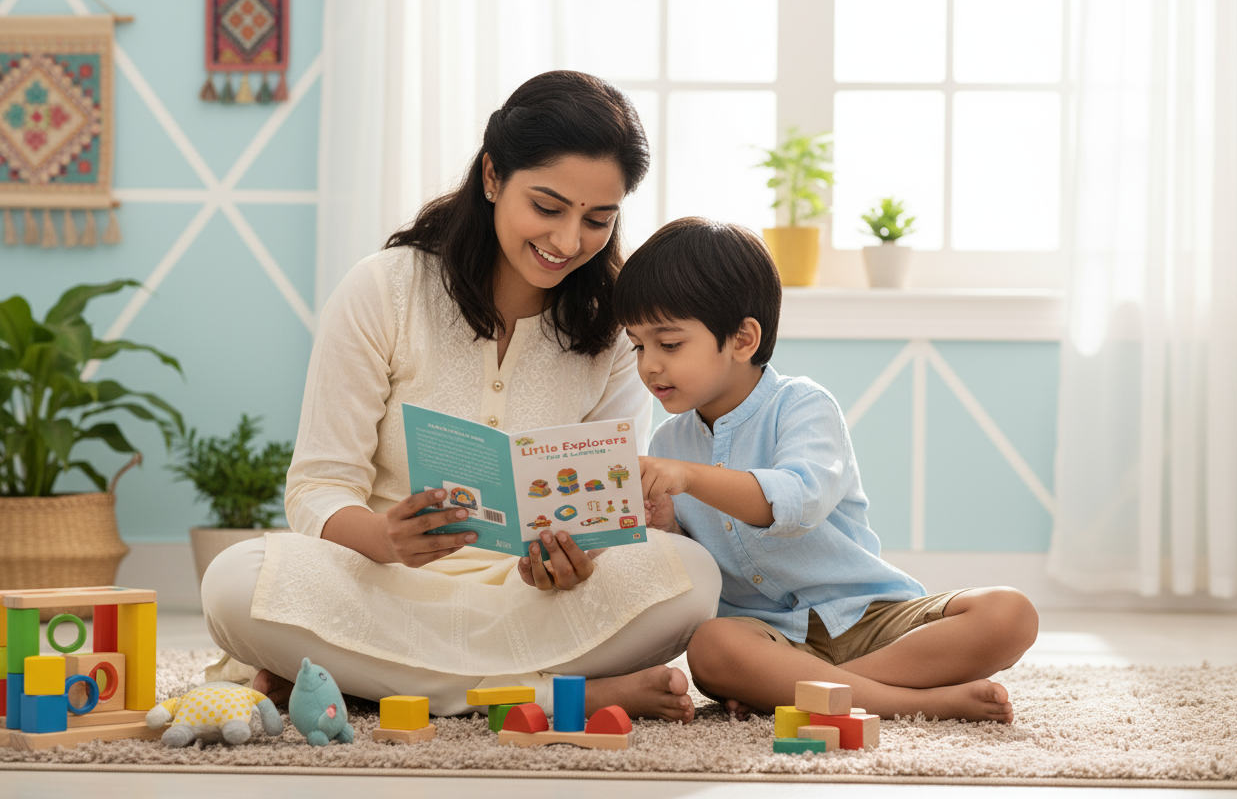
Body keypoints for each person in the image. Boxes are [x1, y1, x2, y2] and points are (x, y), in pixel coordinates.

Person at [200, 72, 721, 724]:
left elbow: (603, 513)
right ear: (493, 176)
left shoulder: (616, 330)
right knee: (232, 582)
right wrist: (384, 539)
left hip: (529, 601)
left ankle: (376, 680)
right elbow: (318, 488)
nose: (567, 242)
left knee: (692, 577)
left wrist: (576, 560)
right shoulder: (383, 291)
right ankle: (553, 696)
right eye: (548, 206)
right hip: (382, 582)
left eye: (597, 219)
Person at [613, 217, 1039, 723]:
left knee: (1010, 614)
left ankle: (820, 692)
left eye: (669, 344)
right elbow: (695, 563)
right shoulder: (669, 442)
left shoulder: (802, 406)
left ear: (744, 339)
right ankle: (919, 702)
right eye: (639, 346)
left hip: (868, 615)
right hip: (769, 635)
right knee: (710, 649)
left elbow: (798, 499)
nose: (649, 366)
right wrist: (665, 524)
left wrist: (689, 478)